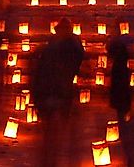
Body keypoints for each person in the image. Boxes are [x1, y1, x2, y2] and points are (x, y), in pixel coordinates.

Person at [30, 17, 85, 167]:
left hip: (58, 93)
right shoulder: (53, 48)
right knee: (52, 134)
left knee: (56, 134)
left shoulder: (65, 48)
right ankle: (50, 160)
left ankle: (52, 160)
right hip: (51, 93)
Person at [107, 20, 134, 166]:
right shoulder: (120, 58)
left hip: (119, 90)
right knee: (124, 114)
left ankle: (124, 123)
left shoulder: (116, 54)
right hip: (121, 89)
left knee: (122, 115)